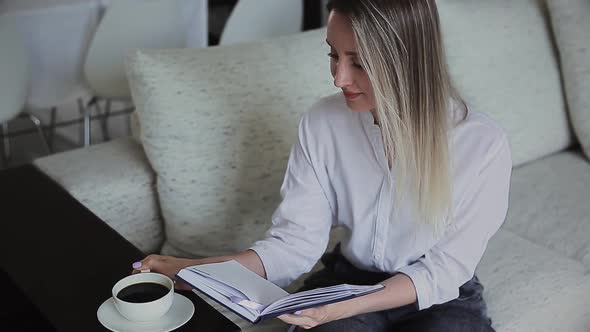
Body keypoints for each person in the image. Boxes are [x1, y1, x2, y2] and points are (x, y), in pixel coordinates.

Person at [132, 0, 512, 330]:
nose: (339, 78)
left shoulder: (480, 146)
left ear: (408, 61)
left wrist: (345, 306)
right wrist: (200, 271)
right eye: (333, 54)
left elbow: (442, 272)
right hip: (349, 280)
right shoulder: (322, 123)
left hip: (439, 295)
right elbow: (295, 244)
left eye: (359, 63)